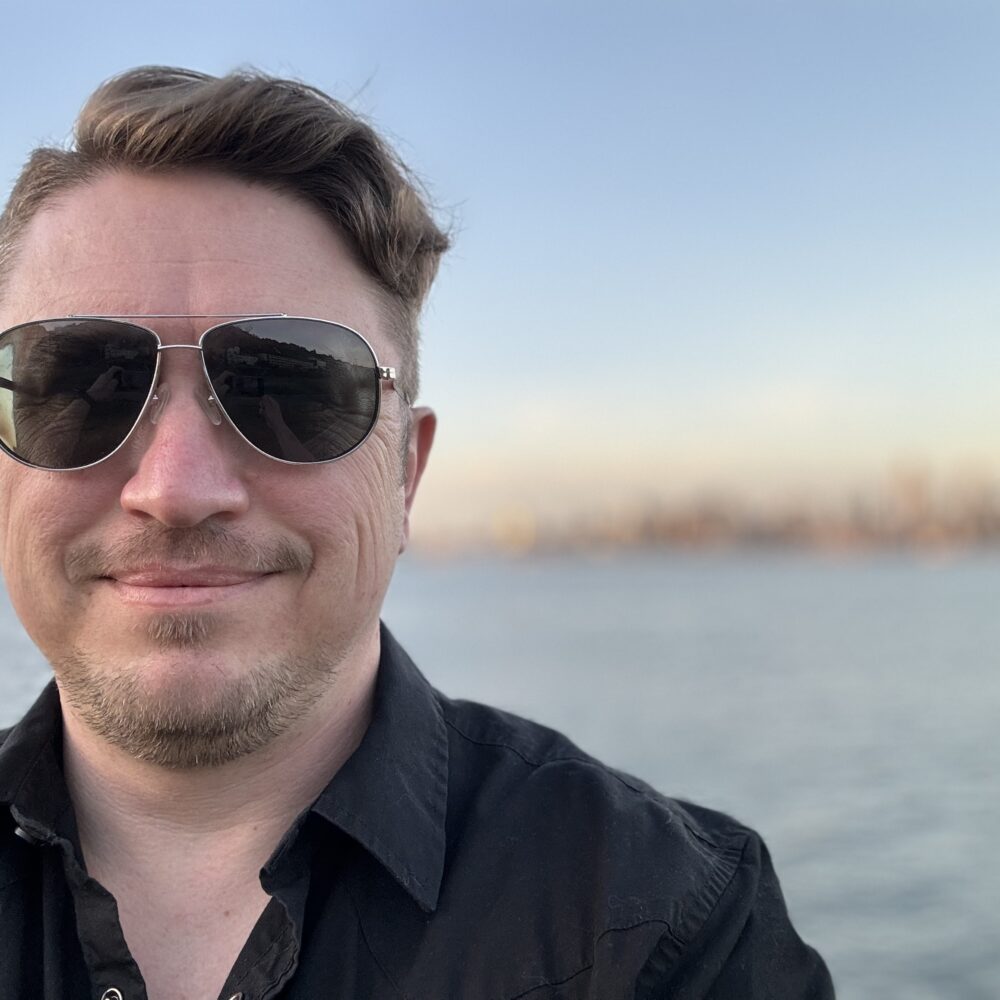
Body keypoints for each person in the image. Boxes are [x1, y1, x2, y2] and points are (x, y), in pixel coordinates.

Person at [0, 67, 834, 999]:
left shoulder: (667, 929)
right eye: (79, 385)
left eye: (293, 387)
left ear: (405, 473)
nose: (178, 488)